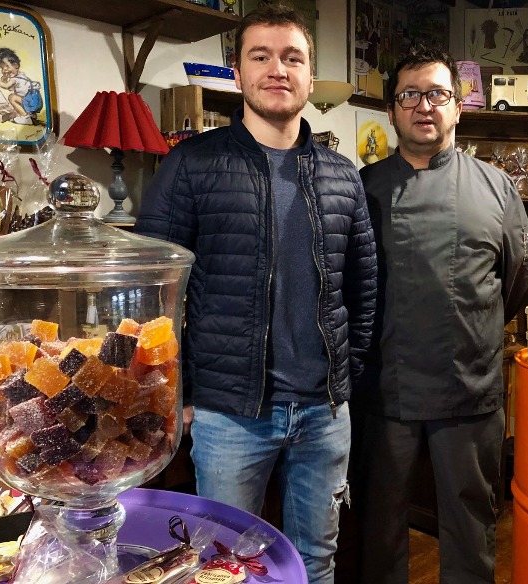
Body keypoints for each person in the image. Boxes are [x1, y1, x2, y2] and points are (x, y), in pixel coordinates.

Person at [134, 5, 377, 583]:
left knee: (317, 559)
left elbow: (363, 289)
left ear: (310, 76)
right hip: (228, 415)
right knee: (224, 566)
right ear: (238, 72)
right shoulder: (192, 165)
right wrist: (177, 394)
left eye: (293, 57)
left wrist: (344, 379)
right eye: (260, 56)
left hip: (324, 412)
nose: (277, 69)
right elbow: (153, 292)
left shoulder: (342, 175)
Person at [355, 45, 528, 584]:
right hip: (383, 388)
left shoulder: (496, 188)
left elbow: (516, 283)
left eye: (437, 94)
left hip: (468, 386)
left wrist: (470, 326)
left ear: (458, 106)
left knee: (471, 525)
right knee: (377, 525)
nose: (424, 106)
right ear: (391, 111)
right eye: (409, 95)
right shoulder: (361, 188)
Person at [0, 48, 42, 125]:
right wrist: (5, 80)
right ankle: (31, 115)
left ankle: (25, 117)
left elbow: (6, 86)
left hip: (31, 102)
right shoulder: (22, 75)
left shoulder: (15, 79)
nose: (4, 70)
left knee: (12, 97)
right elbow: (12, 88)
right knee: (16, 97)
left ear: (16, 65)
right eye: (2, 68)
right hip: (34, 102)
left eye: (7, 66)